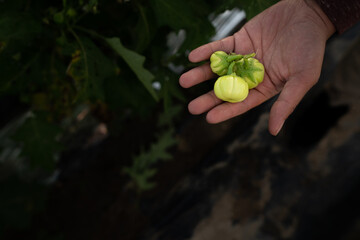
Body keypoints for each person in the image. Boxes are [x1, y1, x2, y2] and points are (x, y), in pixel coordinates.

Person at [179, 0, 360, 136]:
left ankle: (332, 105)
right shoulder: (246, 73)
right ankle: (333, 101)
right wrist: (321, 11)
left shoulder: (227, 69)